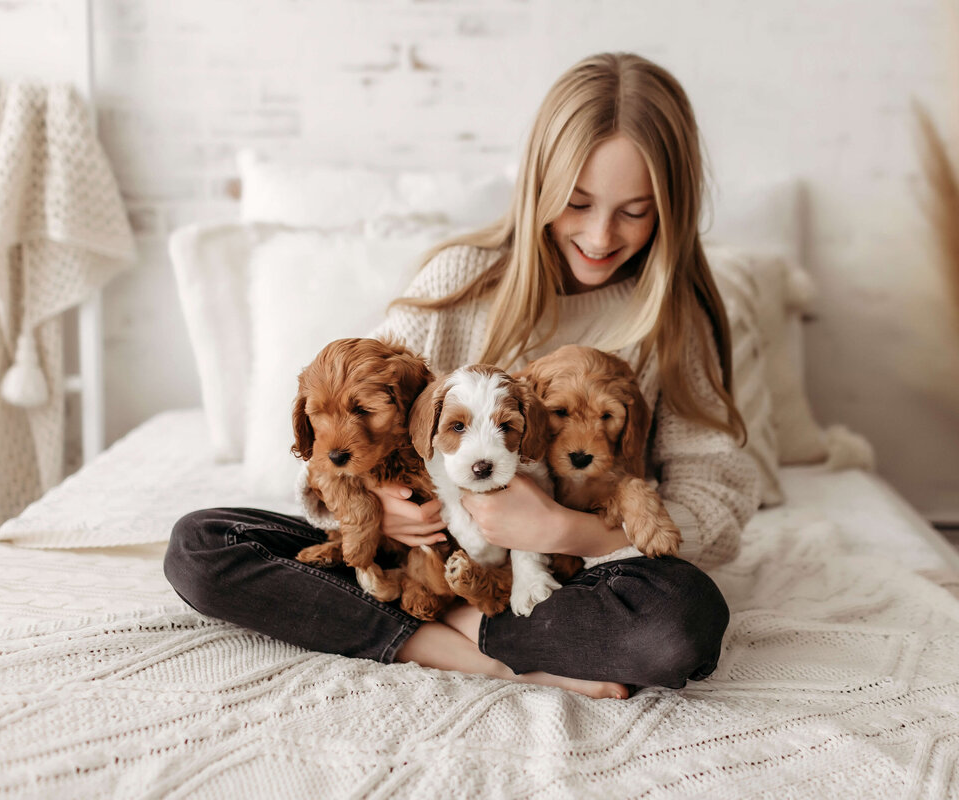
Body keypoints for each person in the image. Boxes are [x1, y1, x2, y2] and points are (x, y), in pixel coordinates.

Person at [164, 52, 761, 699]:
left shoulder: (676, 319)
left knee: (680, 625)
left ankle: (452, 624)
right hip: (422, 556)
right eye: (577, 202)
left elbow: (717, 495)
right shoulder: (460, 280)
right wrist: (384, 511)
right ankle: (474, 644)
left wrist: (570, 531)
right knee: (201, 546)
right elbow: (348, 431)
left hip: (575, 574)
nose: (598, 235)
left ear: (672, 207)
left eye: (635, 211)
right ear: (537, 187)